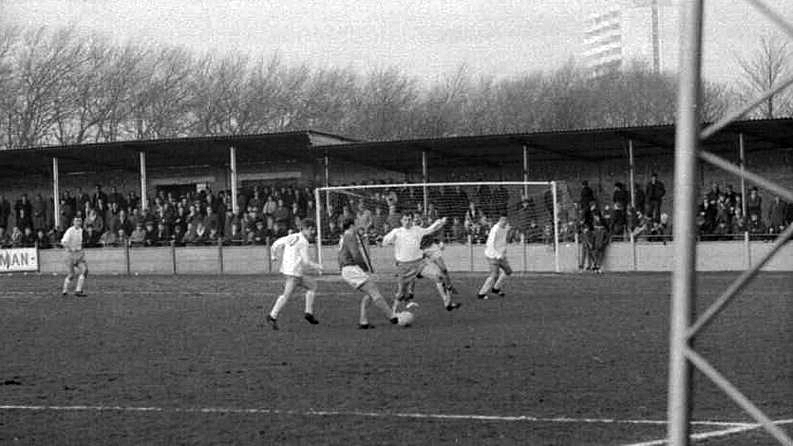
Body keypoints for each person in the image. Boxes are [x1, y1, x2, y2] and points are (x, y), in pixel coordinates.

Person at [381, 214, 461, 313]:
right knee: (401, 294)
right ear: (401, 221)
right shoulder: (397, 232)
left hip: (419, 263)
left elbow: (430, 229)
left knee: (439, 276)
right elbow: (384, 241)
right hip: (404, 266)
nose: (408, 221)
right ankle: (393, 313)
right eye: (405, 219)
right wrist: (384, 240)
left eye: (409, 219)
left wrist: (440, 222)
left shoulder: (417, 229)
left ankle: (447, 303)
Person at [338, 217, 398, 329]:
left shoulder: (347, 235)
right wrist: (365, 269)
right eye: (356, 223)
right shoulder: (350, 235)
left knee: (369, 293)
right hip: (350, 268)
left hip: (348, 269)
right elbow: (356, 255)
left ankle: (363, 321)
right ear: (352, 225)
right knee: (373, 291)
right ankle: (393, 317)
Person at [265, 218, 324, 330]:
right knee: (286, 295)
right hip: (293, 272)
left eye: (313, 230)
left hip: (291, 271)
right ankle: (272, 316)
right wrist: (317, 266)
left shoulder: (292, 236)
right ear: (305, 229)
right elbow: (306, 261)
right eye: (311, 230)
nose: (313, 232)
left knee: (312, 285)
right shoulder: (303, 242)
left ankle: (309, 313)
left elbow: (276, 244)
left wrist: (273, 255)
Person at [477, 214, 512, 299]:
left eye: (506, 220)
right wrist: (498, 255)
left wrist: (508, 232)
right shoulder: (495, 230)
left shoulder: (505, 228)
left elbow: (505, 240)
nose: (505, 222)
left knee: (508, 271)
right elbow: (491, 244)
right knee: (494, 275)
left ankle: (496, 288)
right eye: (503, 220)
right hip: (492, 255)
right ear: (499, 220)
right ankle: (481, 294)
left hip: (500, 255)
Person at [60, 216, 88, 297]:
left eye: (80, 221)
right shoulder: (70, 231)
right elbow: (63, 242)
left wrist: (81, 252)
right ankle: (64, 289)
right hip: (70, 255)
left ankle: (78, 290)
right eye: (76, 221)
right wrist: (69, 248)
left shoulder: (81, 231)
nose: (78, 223)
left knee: (85, 270)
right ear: (73, 222)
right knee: (71, 275)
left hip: (78, 254)